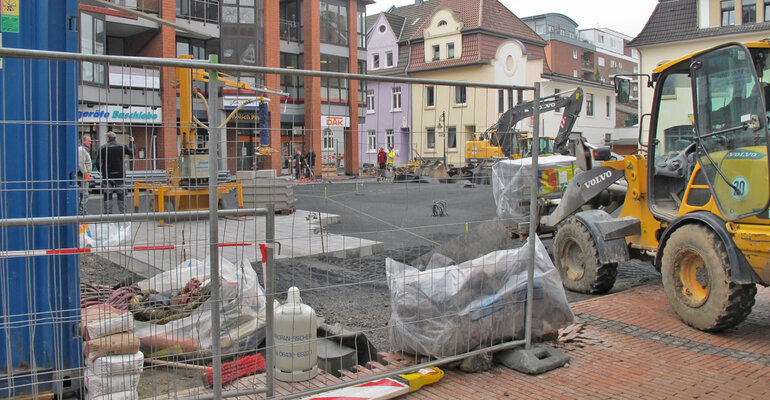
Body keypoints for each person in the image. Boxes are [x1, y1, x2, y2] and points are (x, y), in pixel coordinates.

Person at [97, 131, 133, 214]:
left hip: (107, 175)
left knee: (107, 195)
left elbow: (98, 163)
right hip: (120, 175)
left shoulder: (103, 148)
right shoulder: (122, 147)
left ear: (108, 138)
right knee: (121, 195)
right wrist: (132, 143)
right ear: (115, 138)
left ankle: (108, 214)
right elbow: (132, 152)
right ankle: (123, 213)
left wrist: (101, 171)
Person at [77, 135, 93, 215]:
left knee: (83, 194)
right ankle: (82, 210)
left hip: (83, 175)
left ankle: (82, 210)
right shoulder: (82, 150)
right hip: (82, 176)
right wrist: (85, 173)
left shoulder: (84, 150)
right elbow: (81, 163)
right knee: (84, 194)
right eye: (89, 141)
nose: (90, 143)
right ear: (83, 141)